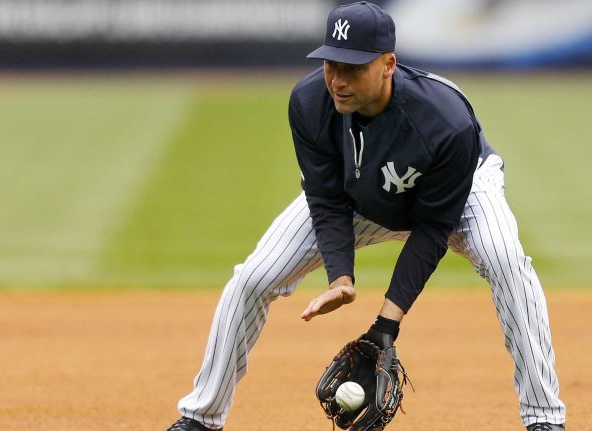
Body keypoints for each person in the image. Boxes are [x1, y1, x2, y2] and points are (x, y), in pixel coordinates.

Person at [164, 2, 566, 430]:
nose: (337, 81)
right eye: (330, 65)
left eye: (352, 69)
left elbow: (432, 228)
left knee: (506, 260)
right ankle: (200, 418)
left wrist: (384, 328)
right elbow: (326, 199)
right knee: (252, 279)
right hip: (360, 197)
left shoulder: (445, 121)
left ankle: (544, 417)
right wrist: (341, 277)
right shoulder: (308, 103)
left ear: (388, 64)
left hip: (462, 193)